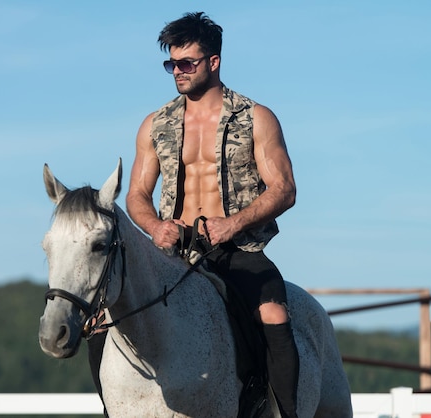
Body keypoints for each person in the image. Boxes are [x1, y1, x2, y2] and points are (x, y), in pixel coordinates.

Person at [125, 12, 299, 418]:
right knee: (104, 316)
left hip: (238, 248)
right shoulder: (155, 124)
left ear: (214, 61)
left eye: (187, 63)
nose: (177, 72)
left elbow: (285, 189)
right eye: (172, 64)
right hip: (175, 253)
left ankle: (285, 414)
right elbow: (136, 195)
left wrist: (233, 223)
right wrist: (154, 226)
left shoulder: (255, 116)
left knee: (274, 313)